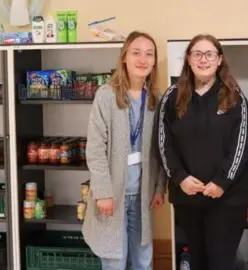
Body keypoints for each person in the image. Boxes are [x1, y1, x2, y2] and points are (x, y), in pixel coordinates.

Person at [157, 34, 248, 270]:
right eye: (197, 54)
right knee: (197, 260)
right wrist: (180, 178)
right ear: (188, 59)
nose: (203, 59)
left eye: (210, 54)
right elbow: (163, 143)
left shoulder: (234, 96)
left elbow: (241, 144)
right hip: (188, 196)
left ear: (219, 60)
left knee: (221, 262)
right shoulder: (172, 96)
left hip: (226, 198)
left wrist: (222, 181)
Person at [82, 31, 167, 270]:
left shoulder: (156, 100)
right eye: (136, 53)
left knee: (143, 260)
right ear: (124, 58)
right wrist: (103, 192)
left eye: (149, 54)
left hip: (143, 196)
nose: (143, 59)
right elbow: (96, 148)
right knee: (114, 261)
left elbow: (161, 150)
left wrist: (160, 187)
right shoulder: (106, 96)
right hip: (113, 196)